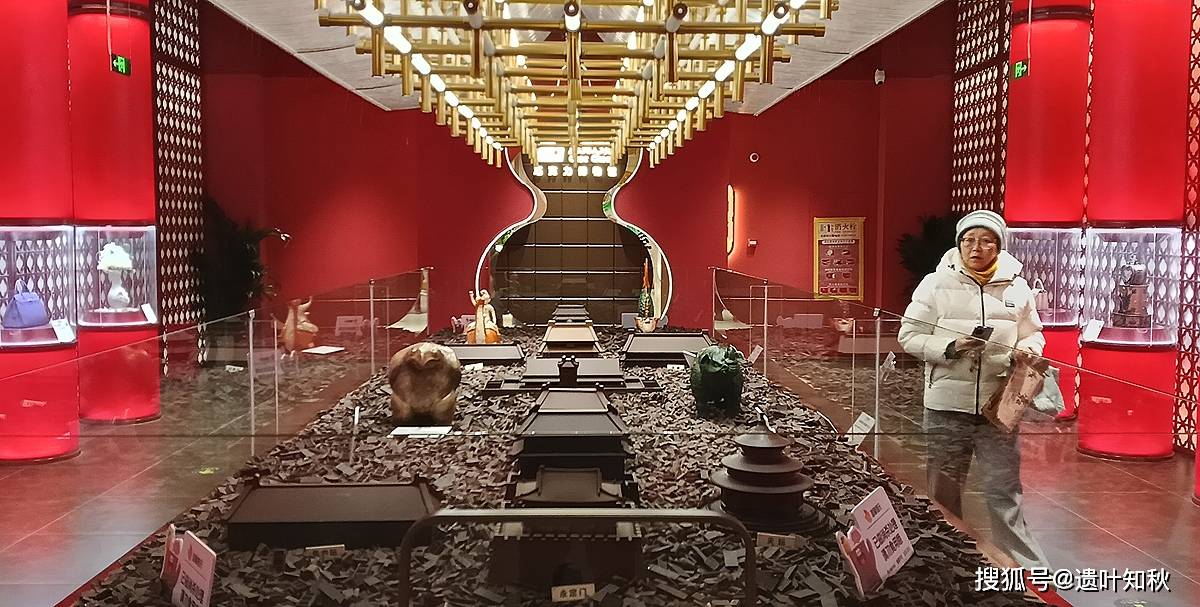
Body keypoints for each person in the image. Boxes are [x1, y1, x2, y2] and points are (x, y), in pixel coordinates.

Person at [897, 209, 1050, 569]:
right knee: (944, 489)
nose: (975, 248)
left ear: (999, 246)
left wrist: (1029, 350)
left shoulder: (1018, 287)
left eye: (985, 241)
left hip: (999, 406)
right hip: (947, 405)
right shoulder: (935, 284)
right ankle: (945, 561)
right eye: (968, 240)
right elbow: (909, 335)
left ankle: (1028, 570)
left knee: (1004, 489)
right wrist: (950, 348)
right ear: (959, 244)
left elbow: (1034, 333)